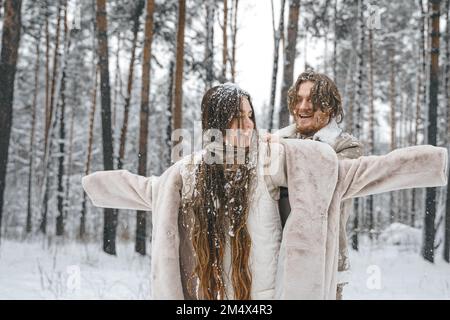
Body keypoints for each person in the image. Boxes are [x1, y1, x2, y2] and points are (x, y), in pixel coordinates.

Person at [82, 83, 448, 300]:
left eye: (250, 116)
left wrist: (433, 164)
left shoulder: (273, 157)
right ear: (215, 123)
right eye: (236, 118)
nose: (246, 126)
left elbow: (350, 175)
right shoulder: (190, 172)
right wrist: (94, 185)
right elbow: (148, 191)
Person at [275, 70, 362, 299]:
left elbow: (321, 179)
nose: (303, 107)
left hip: (324, 263)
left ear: (329, 107)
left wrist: (279, 151)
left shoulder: (346, 147)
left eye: (312, 100)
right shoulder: (280, 141)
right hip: (277, 258)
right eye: (299, 99)